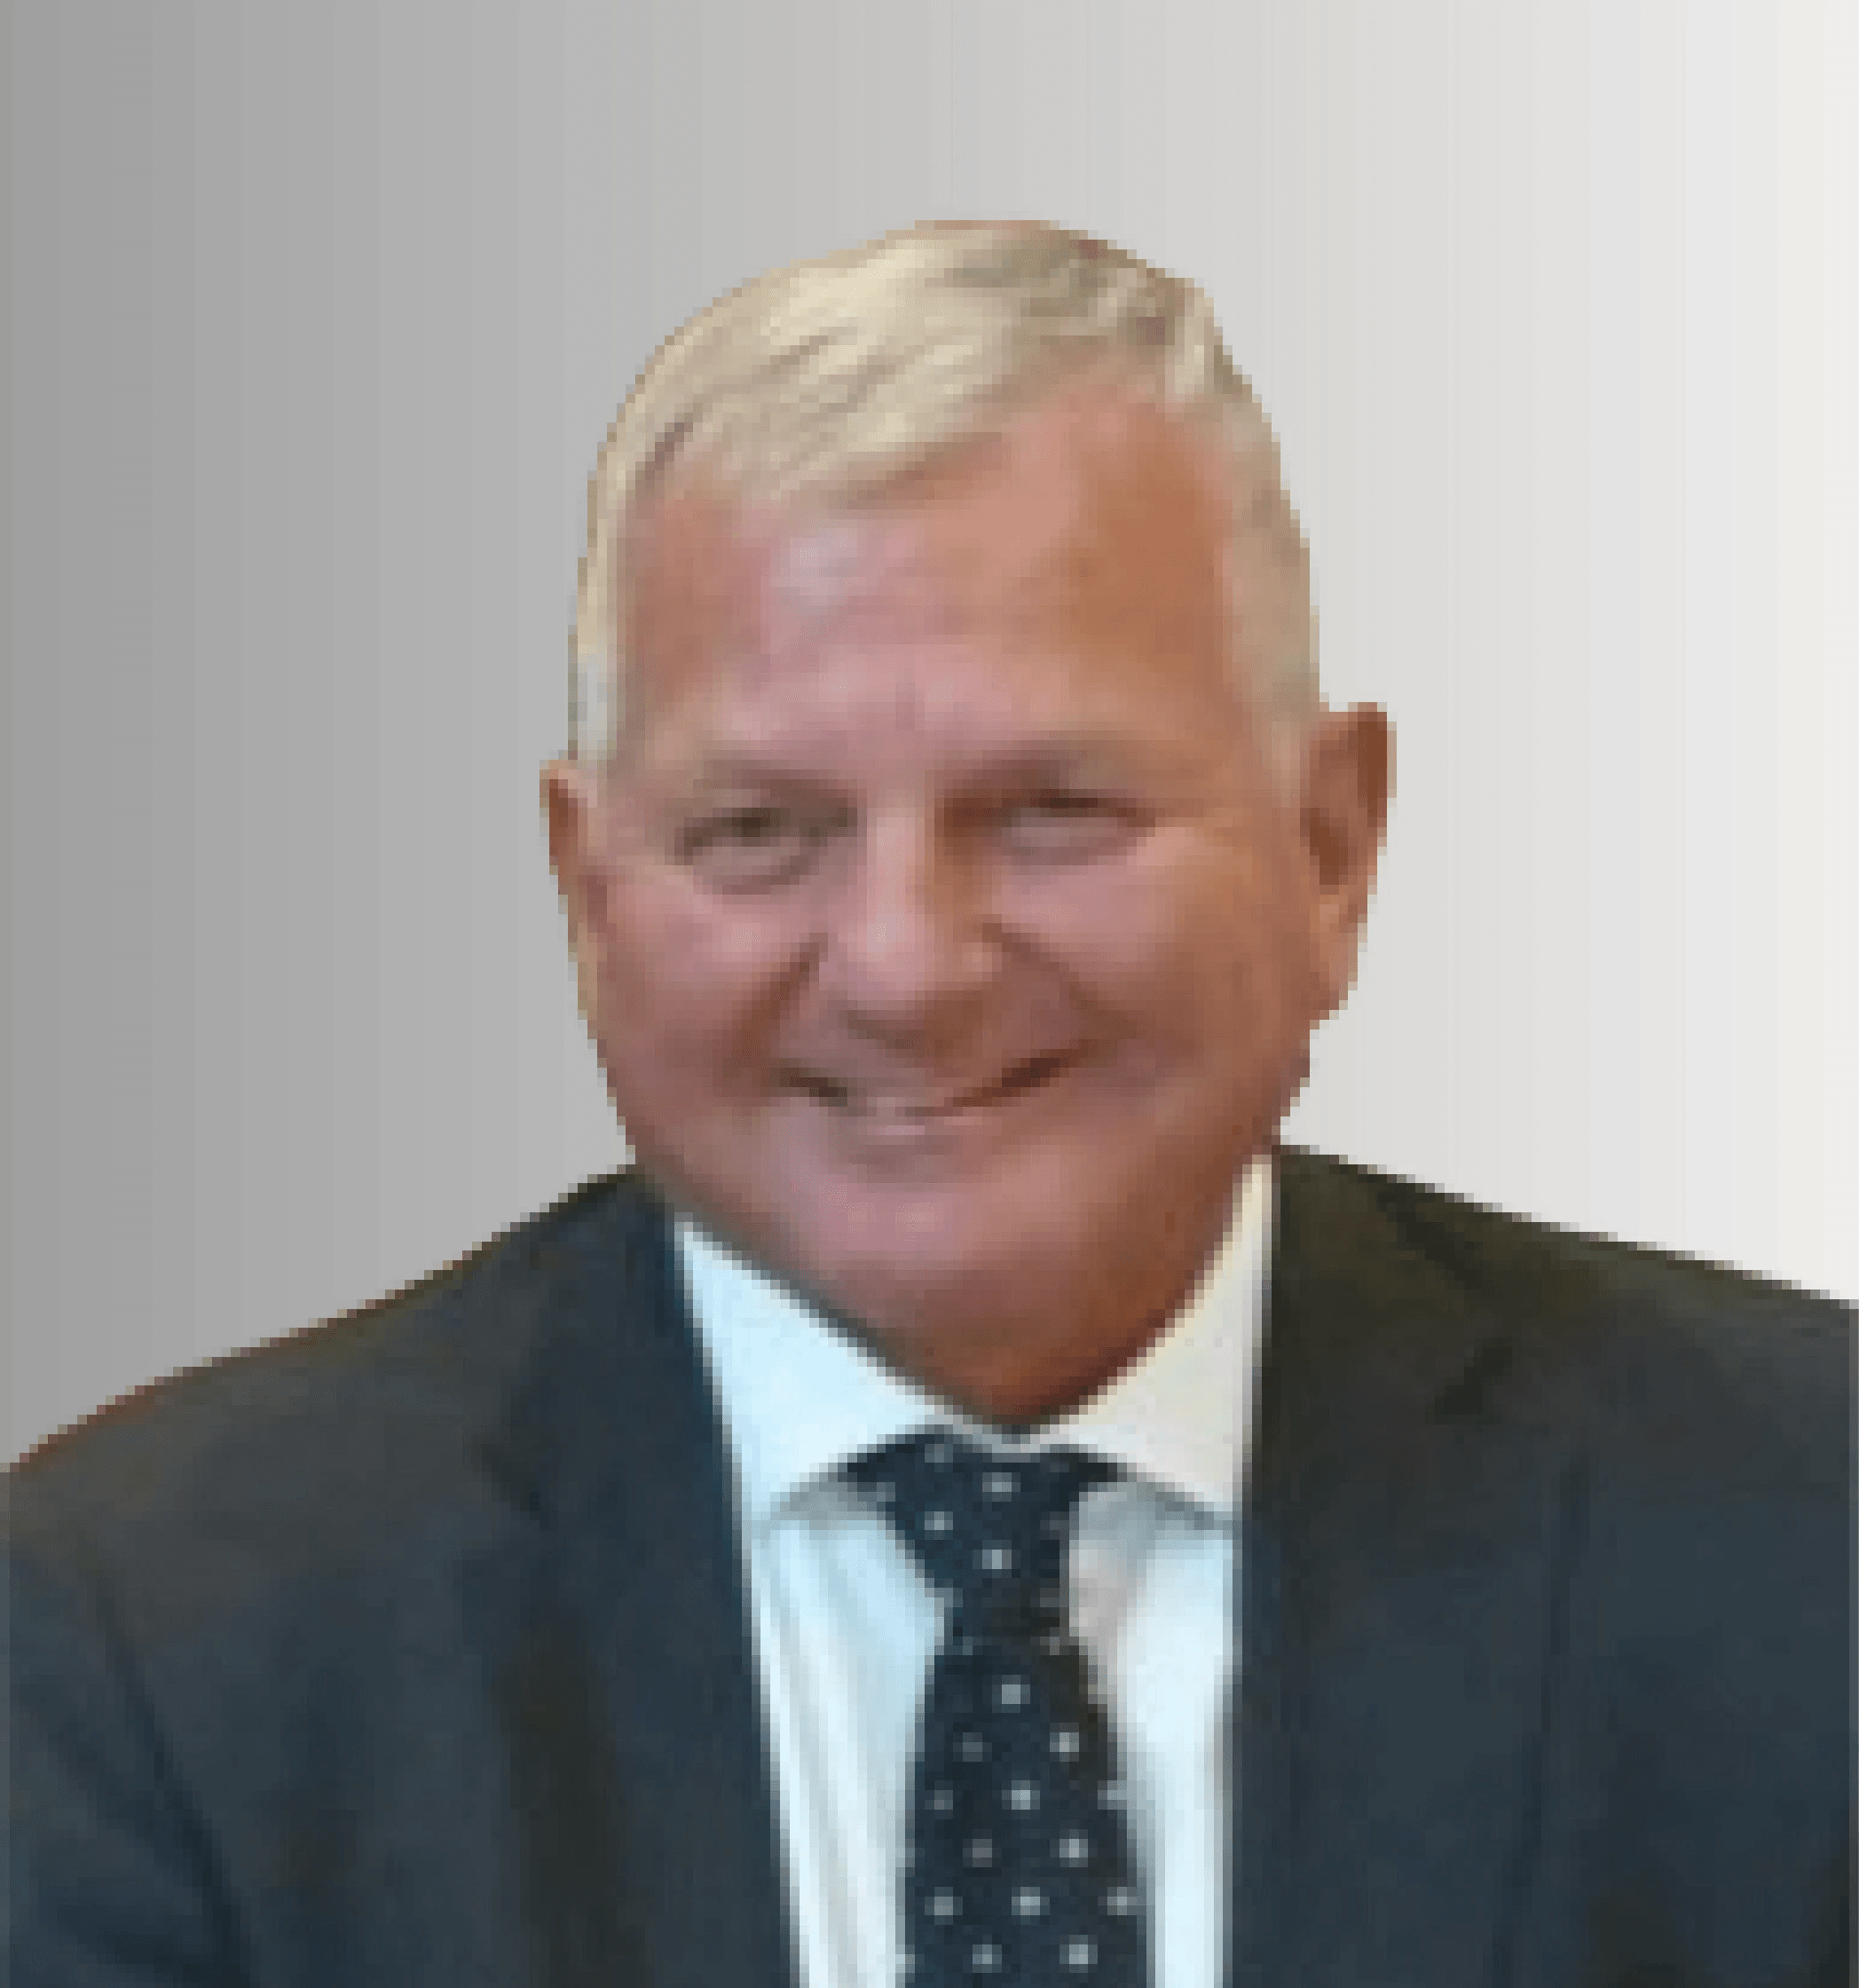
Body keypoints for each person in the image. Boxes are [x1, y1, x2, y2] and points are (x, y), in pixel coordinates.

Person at [6, 220, 1850, 1988]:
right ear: (587, 888)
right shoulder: (145, 1649)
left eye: (1053, 808)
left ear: (1331, 843)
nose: (905, 963)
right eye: (761, 833)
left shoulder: (1804, 1539)